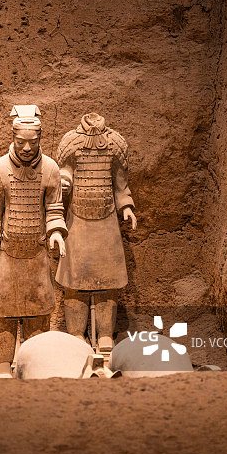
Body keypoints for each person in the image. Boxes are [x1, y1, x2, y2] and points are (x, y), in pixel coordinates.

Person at [0, 105, 67, 377]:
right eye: (21, 142)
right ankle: (3, 365)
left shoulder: (50, 168)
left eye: (33, 142)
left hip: (37, 255)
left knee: (38, 312)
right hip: (7, 255)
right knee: (3, 312)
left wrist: (56, 233)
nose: (27, 148)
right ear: (13, 138)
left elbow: (54, 207)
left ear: (40, 138)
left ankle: (34, 363)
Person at [54, 112, 136, 357]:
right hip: (77, 220)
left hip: (107, 221)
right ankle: (76, 333)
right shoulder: (71, 141)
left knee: (108, 282)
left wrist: (126, 207)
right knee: (74, 282)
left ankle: (105, 334)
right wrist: (64, 181)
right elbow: (64, 171)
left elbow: (120, 184)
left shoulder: (115, 143)